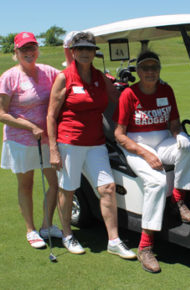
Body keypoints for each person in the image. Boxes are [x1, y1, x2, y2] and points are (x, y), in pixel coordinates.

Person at [47, 32, 136, 259]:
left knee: (107, 188)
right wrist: (53, 149)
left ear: (94, 52)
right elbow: (50, 115)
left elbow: (118, 98)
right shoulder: (64, 78)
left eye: (90, 49)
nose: (86, 53)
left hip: (96, 144)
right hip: (70, 143)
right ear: (74, 52)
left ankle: (114, 240)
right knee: (68, 189)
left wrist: (142, 95)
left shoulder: (99, 77)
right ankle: (67, 234)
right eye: (81, 49)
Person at [114, 50, 190, 273]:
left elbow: (174, 123)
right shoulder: (129, 95)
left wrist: (179, 134)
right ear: (138, 71)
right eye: (145, 68)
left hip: (162, 138)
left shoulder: (166, 89)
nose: (150, 72)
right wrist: (145, 154)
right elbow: (119, 134)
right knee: (157, 182)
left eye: (155, 67)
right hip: (136, 143)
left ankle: (178, 200)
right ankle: (145, 246)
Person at [0, 32, 62, 249]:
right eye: (24, 49)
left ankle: (47, 225)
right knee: (26, 185)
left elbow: (67, 79)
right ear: (15, 53)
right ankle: (31, 230)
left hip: (47, 140)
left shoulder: (48, 71)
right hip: (20, 141)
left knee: (55, 184)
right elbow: (1, 113)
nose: (29, 52)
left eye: (32, 48)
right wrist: (30, 126)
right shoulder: (9, 77)